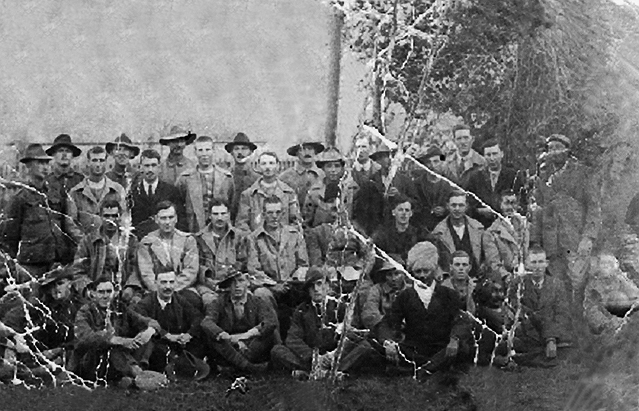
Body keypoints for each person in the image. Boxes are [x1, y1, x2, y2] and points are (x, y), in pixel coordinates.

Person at [378, 241, 472, 375]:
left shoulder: (449, 294)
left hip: (442, 348)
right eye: (418, 271)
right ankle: (428, 369)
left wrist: (454, 339)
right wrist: (388, 342)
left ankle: (420, 371)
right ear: (412, 273)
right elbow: (388, 322)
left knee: (462, 347)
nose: (422, 275)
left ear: (433, 271)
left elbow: (461, 321)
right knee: (374, 346)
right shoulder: (405, 296)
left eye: (426, 271)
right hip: (414, 349)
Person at [530, 134, 601, 298]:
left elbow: (593, 207)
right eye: (550, 149)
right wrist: (536, 241)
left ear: (567, 151)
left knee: (577, 283)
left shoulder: (583, 173)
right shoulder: (543, 174)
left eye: (558, 148)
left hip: (574, 239)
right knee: (557, 287)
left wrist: (588, 237)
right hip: (551, 243)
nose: (554, 152)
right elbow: (538, 207)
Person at [271, 267, 373, 377]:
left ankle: (322, 372)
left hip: (335, 356)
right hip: (312, 358)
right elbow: (293, 339)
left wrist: (333, 355)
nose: (316, 289)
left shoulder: (340, 307)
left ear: (328, 285)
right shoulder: (301, 311)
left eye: (319, 284)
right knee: (277, 350)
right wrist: (314, 357)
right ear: (307, 290)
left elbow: (352, 334)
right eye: (311, 286)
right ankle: (328, 373)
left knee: (365, 346)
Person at [1, 144, 82, 277]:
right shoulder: (20, 198)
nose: (45, 167)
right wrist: (12, 268)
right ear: (29, 166)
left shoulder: (55, 194)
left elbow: (66, 225)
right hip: (31, 266)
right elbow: (9, 237)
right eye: (40, 163)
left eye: (46, 163)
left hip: (56, 263)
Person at [73, 277, 151, 383]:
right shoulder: (85, 312)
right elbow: (86, 337)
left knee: (147, 338)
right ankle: (138, 375)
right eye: (101, 292)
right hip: (91, 361)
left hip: (116, 361)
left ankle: (129, 378)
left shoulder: (120, 308)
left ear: (115, 293)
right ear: (93, 294)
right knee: (111, 348)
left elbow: (144, 321)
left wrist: (148, 331)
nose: (105, 296)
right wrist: (115, 340)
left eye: (109, 291)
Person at [2, 266, 83, 369]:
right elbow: (15, 317)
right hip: (38, 352)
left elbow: (81, 338)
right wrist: (14, 339)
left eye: (60, 283)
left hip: (65, 355)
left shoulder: (79, 306)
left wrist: (59, 350)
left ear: (70, 284)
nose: (56, 289)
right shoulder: (43, 304)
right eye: (51, 286)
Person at [130, 270, 206, 374]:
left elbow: (197, 317)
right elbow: (143, 325)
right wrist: (167, 335)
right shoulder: (146, 303)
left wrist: (189, 334)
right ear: (156, 283)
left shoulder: (179, 299)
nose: (168, 287)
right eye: (163, 282)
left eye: (171, 282)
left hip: (178, 342)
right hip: (158, 343)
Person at [201, 270, 275, 373]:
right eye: (232, 282)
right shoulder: (218, 302)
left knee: (267, 334)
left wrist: (246, 336)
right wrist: (224, 335)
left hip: (249, 344)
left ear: (247, 283)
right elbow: (207, 322)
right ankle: (249, 368)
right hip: (229, 343)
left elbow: (269, 321)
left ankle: (233, 367)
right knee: (214, 337)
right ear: (228, 286)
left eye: (241, 281)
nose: (237, 286)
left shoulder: (257, 301)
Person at [508, 246, 571, 367]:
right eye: (534, 262)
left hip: (553, 330)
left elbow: (562, 313)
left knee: (567, 341)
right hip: (528, 331)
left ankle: (538, 353)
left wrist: (551, 338)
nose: (537, 267)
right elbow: (517, 310)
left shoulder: (557, 285)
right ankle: (535, 353)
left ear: (547, 263)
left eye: (541, 262)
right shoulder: (517, 284)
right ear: (527, 264)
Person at [137, 201, 207, 307]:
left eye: (171, 217)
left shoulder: (187, 240)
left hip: (182, 288)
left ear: (176, 218)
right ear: (156, 219)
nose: (167, 222)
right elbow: (146, 273)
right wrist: (160, 289)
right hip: (156, 290)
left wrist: (171, 288)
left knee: (193, 301)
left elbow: (191, 270)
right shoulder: (147, 242)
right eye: (163, 218)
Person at [72, 199, 141, 302]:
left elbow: (137, 267)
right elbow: (78, 270)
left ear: (120, 216)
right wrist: (88, 290)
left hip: (123, 292)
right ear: (100, 216)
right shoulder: (88, 241)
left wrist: (131, 287)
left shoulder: (130, 240)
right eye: (106, 216)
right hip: (96, 293)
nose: (110, 220)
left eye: (114, 216)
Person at [176, 135, 234, 233]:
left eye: (207, 150)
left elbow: (232, 203)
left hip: (220, 229)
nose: (204, 154)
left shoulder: (226, 177)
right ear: (195, 152)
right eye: (200, 150)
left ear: (213, 150)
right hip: (194, 229)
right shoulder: (185, 178)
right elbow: (179, 205)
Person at [194, 199, 249, 300]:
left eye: (223, 214)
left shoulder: (238, 236)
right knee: (209, 300)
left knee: (246, 299)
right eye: (215, 214)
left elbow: (243, 262)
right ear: (209, 216)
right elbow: (197, 267)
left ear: (228, 215)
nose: (219, 218)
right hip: (208, 286)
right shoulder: (199, 238)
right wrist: (211, 283)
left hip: (234, 283)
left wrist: (232, 279)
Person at [464, 139, 524, 228]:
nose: (492, 158)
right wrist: (479, 211)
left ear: (502, 154)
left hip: (506, 225)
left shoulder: (513, 176)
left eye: (495, 154)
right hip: (481, 224)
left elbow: (520, 201)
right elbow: (468, 202)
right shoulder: (475, 177)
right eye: (488, 155)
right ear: (484, 156)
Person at [236, 151, 300, 232]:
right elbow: (242, 224)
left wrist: (287, 236)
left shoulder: (289, 193)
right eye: (264, 164)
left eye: (271, 163)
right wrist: (252, 237)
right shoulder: (248, 195)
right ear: (258, 166)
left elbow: (296, 222)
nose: (267, 167)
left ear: (278, 165)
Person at [129, 149, 186, 239]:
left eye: (153, 165)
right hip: (139, 239)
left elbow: (180, 219)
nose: (150, 170)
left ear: (159, 168)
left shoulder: (171, 191)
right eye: (146, 166)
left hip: (165, 239)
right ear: (141, 168)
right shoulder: (133, 191)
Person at [69, 146, 127, 233]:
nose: (98, 164)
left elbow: (124, 221)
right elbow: (71, 225)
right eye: (94, 160)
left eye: (101, 160)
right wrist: (85, 241)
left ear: (106, 162)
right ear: (88, 162)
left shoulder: (118, 190)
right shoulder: (75, 193)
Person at [432, 191, 486, 277]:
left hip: (476, 278)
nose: (457, 209)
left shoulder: (478, 229)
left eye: (461, 205)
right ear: (447, 206)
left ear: (466, 206)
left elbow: (486, 256)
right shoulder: (438, 233)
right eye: (453, 205)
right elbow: (436, 262)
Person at [583, 254, 639, 335]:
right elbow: (590, 308)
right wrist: (609, 322)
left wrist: (626, 317)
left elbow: (635, 296)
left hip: (624, 322)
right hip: (604, 328)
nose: (606, 266)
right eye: (603, 263)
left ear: (615, 265)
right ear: (598, 266)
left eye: (609, 263)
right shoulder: (593, 285)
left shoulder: (620, 280)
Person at [304, 147, 359, 228]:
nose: (333, 170)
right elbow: (307, 223)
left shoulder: (352, 190)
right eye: (329, 166)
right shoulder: (314, 192)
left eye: (337, 166)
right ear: (323, 168)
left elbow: (358, 221)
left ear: (342, 168)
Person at [483, 190, 529, 280]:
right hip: (505, 280)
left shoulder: (525, 227)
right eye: (507, 203)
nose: (510, 207)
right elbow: (494, 264)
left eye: (513, 203)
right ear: (500, 205)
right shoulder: (491, 233)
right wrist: (510, 279)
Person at [372, 196, 429, 262]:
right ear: (393, 212)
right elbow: (375, 251)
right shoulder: (383, 233)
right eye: (400, 210)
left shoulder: (419, 233)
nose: (404, 213)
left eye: (407, 210)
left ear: (411, 213)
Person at [361, 259, 407, 339]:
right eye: (389, 275)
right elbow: (370, 313)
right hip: (382, 332)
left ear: (404, 274)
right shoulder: (377, 290)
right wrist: (384, 325)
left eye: (397, 274)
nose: (393, 279)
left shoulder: (411, 291)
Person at [411, 146, 454, 231]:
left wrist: (446, 210)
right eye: (428, 162)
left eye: (436, 161)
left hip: (446, 228)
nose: (432, 166)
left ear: (442, 163)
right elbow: (413, 206)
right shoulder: (417, 184)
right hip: (422, 228)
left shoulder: (451, 184)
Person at [224, 132, 259, 221]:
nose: (240, 152)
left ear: (251, 152)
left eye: (244, 149)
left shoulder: (257, 178)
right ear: (232, 152)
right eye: (236, 149)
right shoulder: (226, 177)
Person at [279, 141, 325, 208]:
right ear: (296, 153)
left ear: (315, 151)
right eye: (302, 149)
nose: (307, 152)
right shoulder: (285, 177)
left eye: (310, 149)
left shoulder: (323, 175)